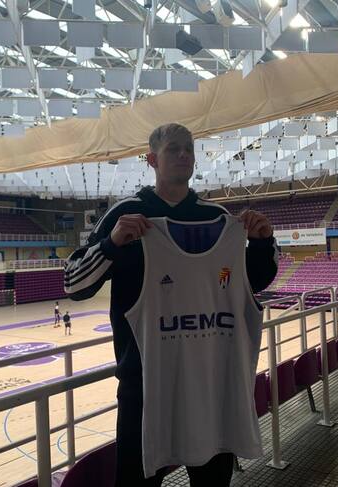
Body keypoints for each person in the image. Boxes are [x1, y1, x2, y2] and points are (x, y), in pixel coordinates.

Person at [64, 123, 278, 487]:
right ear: (151, 160)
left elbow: (249, 283)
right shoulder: (125, 213)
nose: (183, 155)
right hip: (144, 385)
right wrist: (111, 244)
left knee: (213, 482)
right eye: (173, 149)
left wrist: (261, 242)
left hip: (211, 380)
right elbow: (74, 284)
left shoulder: (217, 217)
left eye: (189, 149)